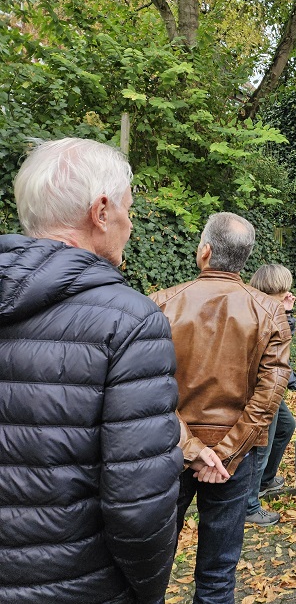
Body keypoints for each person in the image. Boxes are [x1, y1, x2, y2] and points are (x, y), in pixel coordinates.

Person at [0, 138, 218, 603]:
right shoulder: (128, 321)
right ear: (101, 212)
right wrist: (146, 590)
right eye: (128, 209)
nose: (131, 224)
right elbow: (138, 504)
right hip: (82, 583)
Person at [151, 212, 292, 604]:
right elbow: (269, 397)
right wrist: (224, 455)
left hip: (166, 450)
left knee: (150, 570)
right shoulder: (269, 311)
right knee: (217, 574)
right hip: (234, 458)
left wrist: (193, 450)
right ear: (244, 259)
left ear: (205, 251)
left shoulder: (160, 304)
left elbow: (146, 389)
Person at [244, 264, 296, 526]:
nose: (287, 295)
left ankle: (266, 479)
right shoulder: (257, 313)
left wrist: (286, 312)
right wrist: (294, 381)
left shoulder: (271, 310)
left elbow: (281, 349)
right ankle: (249, 504)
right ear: (269, 291)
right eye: (282, 291)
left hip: (272, 386)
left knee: (286, 426)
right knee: (261, 446)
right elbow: (272, 355)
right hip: (260, 390)